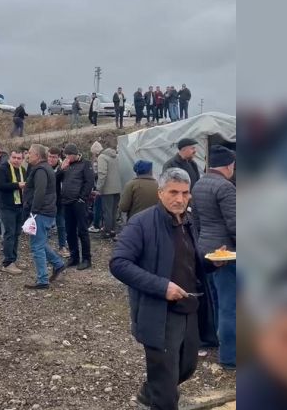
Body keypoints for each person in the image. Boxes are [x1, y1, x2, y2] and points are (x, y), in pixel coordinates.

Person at [110, 168, 222, 410]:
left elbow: (190, 261)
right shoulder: (141, 223)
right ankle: (159, 396)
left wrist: (212, 263)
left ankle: (150, 391)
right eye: (173, 192)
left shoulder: (189, 221)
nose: (179, 199)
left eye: (184, 193)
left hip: (190, 307)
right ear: (160, 193)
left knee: (187, 366)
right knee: (167, 389)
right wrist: (162, 287)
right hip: (159, 313)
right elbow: (119, 263)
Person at [192, 145, 237, 369]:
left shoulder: (199, 184)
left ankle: (222, 344)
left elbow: (197, 221)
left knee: (217, 302)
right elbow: (235, 224)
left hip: (205, 250)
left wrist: (202, 243)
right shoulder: (226, 187)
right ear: (229, 166)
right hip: (226, 253)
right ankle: (230, 357)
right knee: (232, 306)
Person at [22, 144, 66, 289]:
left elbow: (40, 192)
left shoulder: (40, 170)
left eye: (30, 153)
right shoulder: (43, 168)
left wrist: (33, 211)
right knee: (40, 242)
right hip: (45, 211)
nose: (27, 155)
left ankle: (42, 280)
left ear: (37, 155)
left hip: (41, 212)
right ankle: (58, 264)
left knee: (36, 246)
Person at [57, 143, 94, 270]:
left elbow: (89, 182)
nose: (67, 157)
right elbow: (56, 179)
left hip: (78, 202)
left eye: (68, 155)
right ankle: (74, 257)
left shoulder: (86, 164)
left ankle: (86, 259)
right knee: (70, 231)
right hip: (66, 202)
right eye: (65, 155)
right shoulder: (66, 165)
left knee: (82, 231)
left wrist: (82, 198)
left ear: (75, 154)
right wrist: (61, 169)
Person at [0, 149, 27, 275]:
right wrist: (17, 185)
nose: (16, 160)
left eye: (19, 158)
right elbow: (0, 185)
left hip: (19, 205)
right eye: (14, 158)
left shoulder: (22, 170)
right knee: (9, 233)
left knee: (16, 233)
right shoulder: (2, 169)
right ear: (10, 158)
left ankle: (13, 259)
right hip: (7, 206)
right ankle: (7, 263)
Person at [95, 140, 121, 240]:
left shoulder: (102, 157)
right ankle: (113, 230)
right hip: (117, 187)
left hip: (107, 189)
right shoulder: (116, 156)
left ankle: (107, 231)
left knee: (107, 211)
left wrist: (98, 188)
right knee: (114, 211)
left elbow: (102, 174)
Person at [48, 147, 69, 257]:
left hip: (59, 199)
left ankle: (62, 246)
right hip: (47, 201)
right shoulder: (43, 167)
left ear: (58, 158)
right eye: (50, 156)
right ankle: (43, 247)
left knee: (61, 224)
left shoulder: (63, 168)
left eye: (54, 157)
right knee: (46, 225)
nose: (51, 159)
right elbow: (51, 180)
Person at [88, 141, 104, 233]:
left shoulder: (97, 160)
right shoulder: (106, 157)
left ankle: (96, 225)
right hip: (106, 187)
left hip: (99, 186)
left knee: (97, 205)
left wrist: (97, 188)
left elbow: (95, 174)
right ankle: (103, 224)